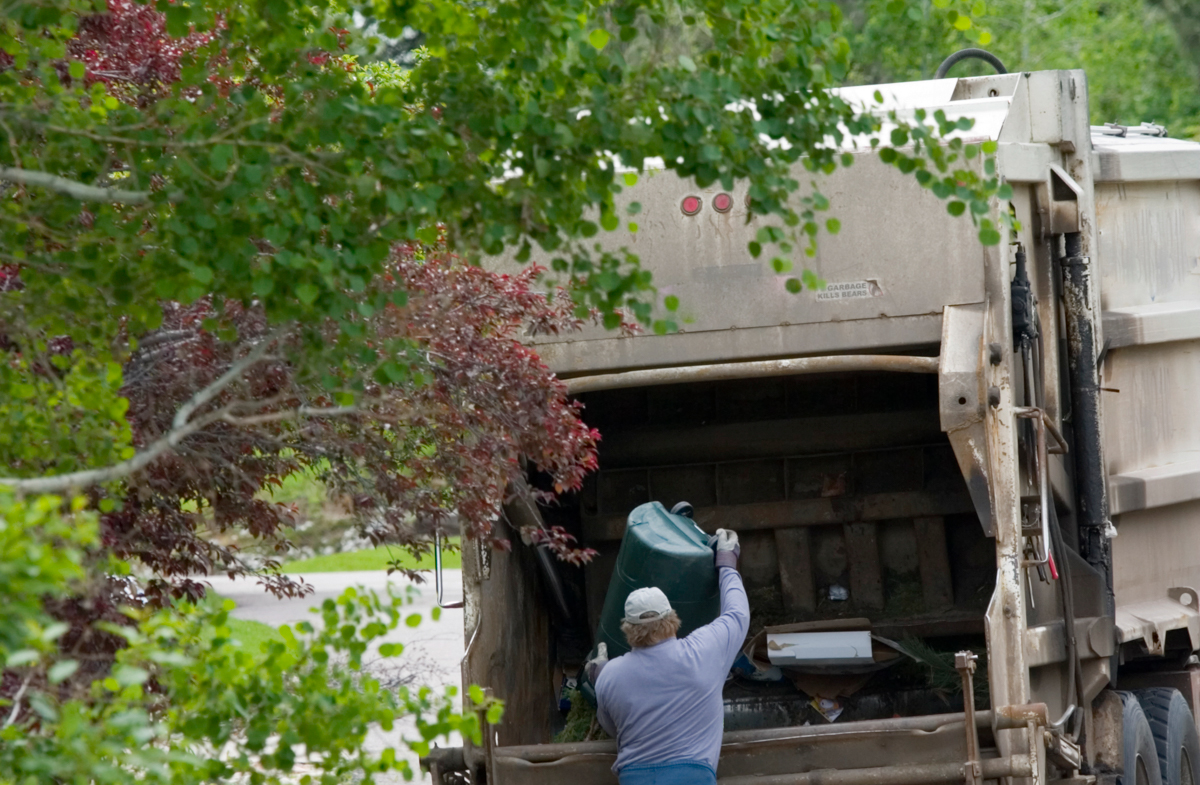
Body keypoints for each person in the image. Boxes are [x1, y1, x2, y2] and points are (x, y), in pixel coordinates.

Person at [586, 527, 749, 785]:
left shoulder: (609, 677)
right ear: (672, 619)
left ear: (628, 630)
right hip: (693, 777)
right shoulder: (704, 651)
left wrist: (600, 676)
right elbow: (737, 614)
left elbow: (613, 728)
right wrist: (727, 563)